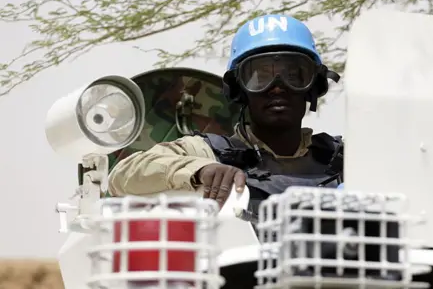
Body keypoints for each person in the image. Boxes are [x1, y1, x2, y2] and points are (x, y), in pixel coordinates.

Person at [107, 14, 343, 215]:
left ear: (314, 85)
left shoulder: (344, 159)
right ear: (239, 90)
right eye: (260, 77)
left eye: (294, 76)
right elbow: (121, 175)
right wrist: (199, 170)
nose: (278, 87)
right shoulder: (210, 153)